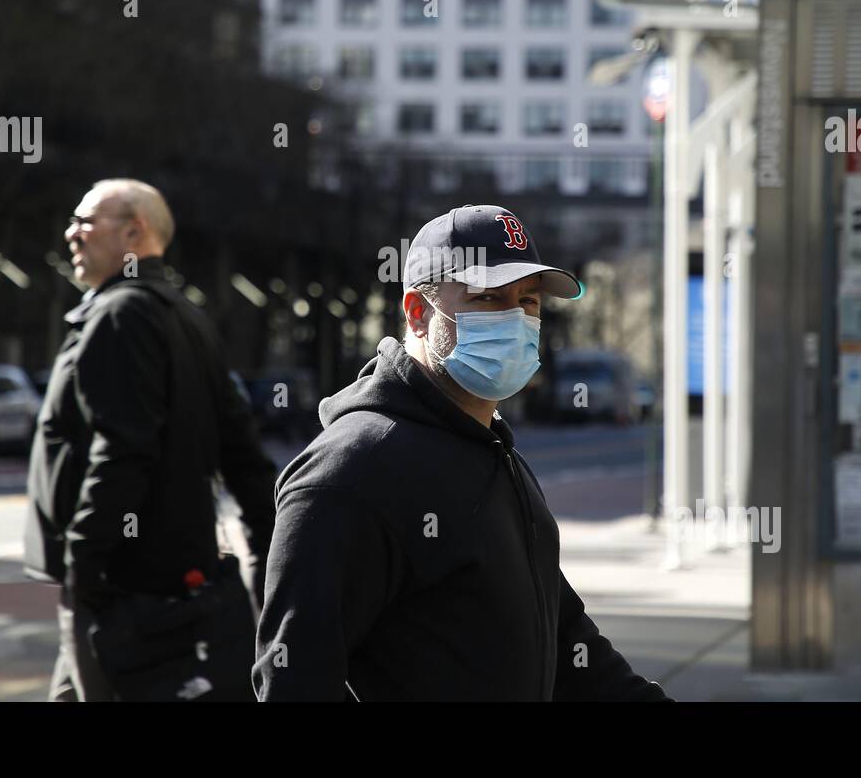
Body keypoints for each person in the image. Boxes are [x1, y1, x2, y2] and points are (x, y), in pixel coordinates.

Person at [253, 204, 672, 701]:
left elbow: (567, 644)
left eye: (530, 301)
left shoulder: (496, 452)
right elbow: (295, 679)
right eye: (489, 297)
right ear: (417, 311)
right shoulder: (352, 471)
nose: (516, 320)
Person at [24, 178, 277, 701]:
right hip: (167, 584)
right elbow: (242, 449)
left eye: (85, 221)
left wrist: (84, 565)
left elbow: (120, 451)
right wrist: (271, 547)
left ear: (133, 232)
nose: (72, 233)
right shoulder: (187, 317)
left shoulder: (121, 315)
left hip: (123, 589)